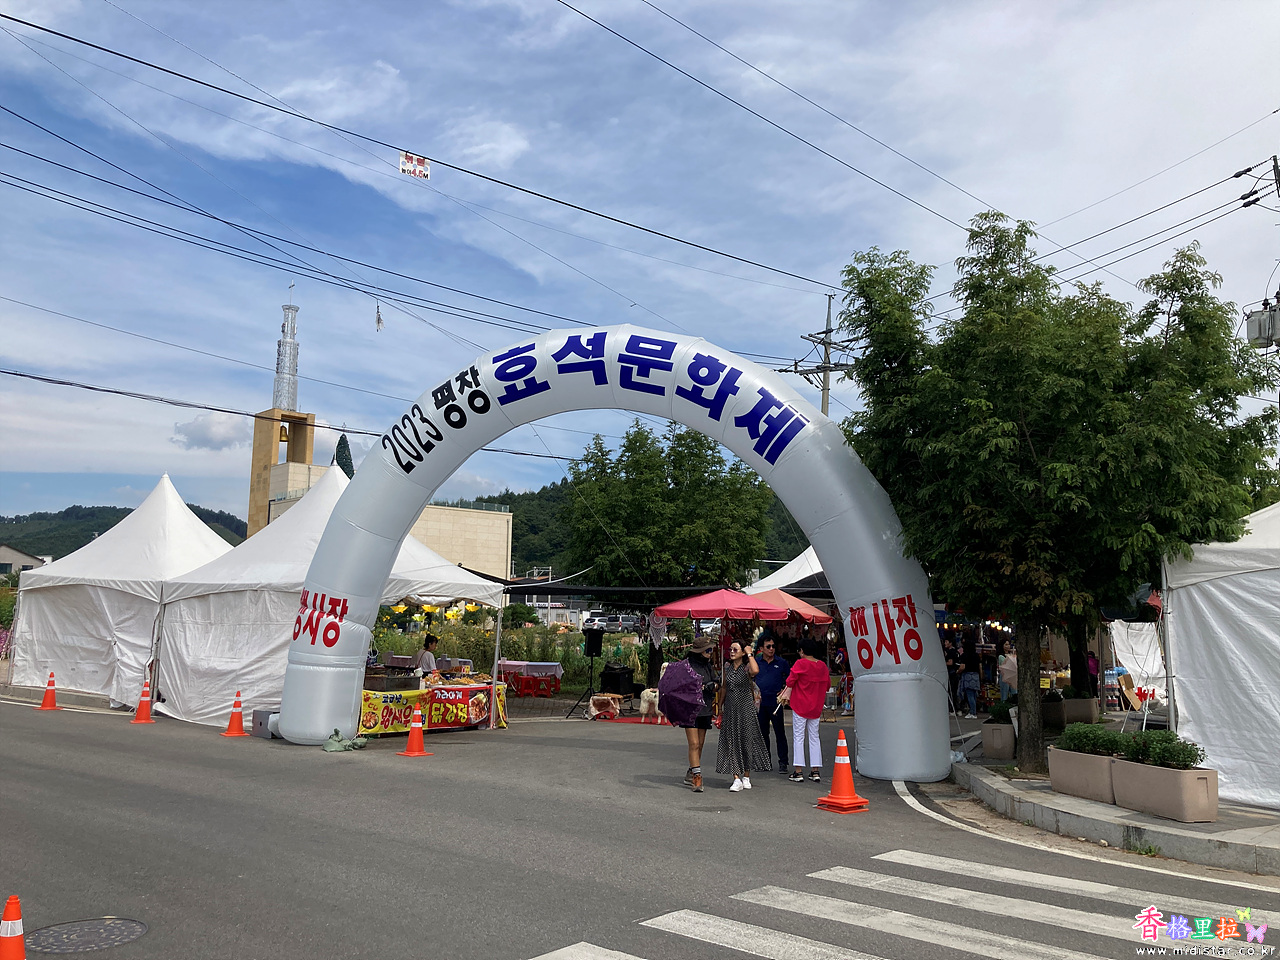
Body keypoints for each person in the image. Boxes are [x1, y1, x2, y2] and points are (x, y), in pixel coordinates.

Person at [716, 640, 772, 791]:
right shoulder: (727, 667)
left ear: (742, 652)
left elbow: (755, 671)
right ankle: (736, 778)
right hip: (730, 709)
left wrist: (750, 653)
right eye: (730, 649)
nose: (732, 652)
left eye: (735, 649)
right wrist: (720, 706)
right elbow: (724, 687)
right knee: (731, 742)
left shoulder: (747, 667)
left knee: (747, 741)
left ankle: (746, 776)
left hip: (746, 709)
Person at [777, 637, 830, 783]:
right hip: (816, 707)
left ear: (802, 651)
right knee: (814, 737)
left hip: (800, 705)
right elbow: (827, 685)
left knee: (799, 737)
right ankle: (815, 771)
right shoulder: (822, 666)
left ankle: (798, 771)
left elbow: (789, 681)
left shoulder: (800, 664)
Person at [679, 636, 719, 793]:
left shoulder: (708, 666)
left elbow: (716, 682)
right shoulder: (686, 665)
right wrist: (699, 686)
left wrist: (713, 686)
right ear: (699, 651)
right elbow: (680, 686)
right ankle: (697, 776)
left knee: (700, 744)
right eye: (707, 650)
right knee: (694, 744)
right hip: (690, 708)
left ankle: (691, 770)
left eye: (710, 650)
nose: (710, 653)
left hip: (705, 708)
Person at [753, 634, 790, 774]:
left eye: (773, 646)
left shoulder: (781, 662)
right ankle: (764, 761)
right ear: (761, 648)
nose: (771, 649)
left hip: (775, 702)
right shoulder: (756, 662)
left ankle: (783, 762)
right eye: (768, 646)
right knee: (763, 734)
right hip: (761, 703)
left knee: (780, 733)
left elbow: (790, 679)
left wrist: (784, 690)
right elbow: (750, 678)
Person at [958, 632, 981, 718]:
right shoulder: (976, 656)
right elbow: (980, 666)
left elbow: (962, 667)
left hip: (968, 676)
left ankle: (972, 712)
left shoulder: (965, 655)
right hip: (976, 676)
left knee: (969, 695)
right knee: (974, 694)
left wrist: (958, 672)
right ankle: (974, 711)